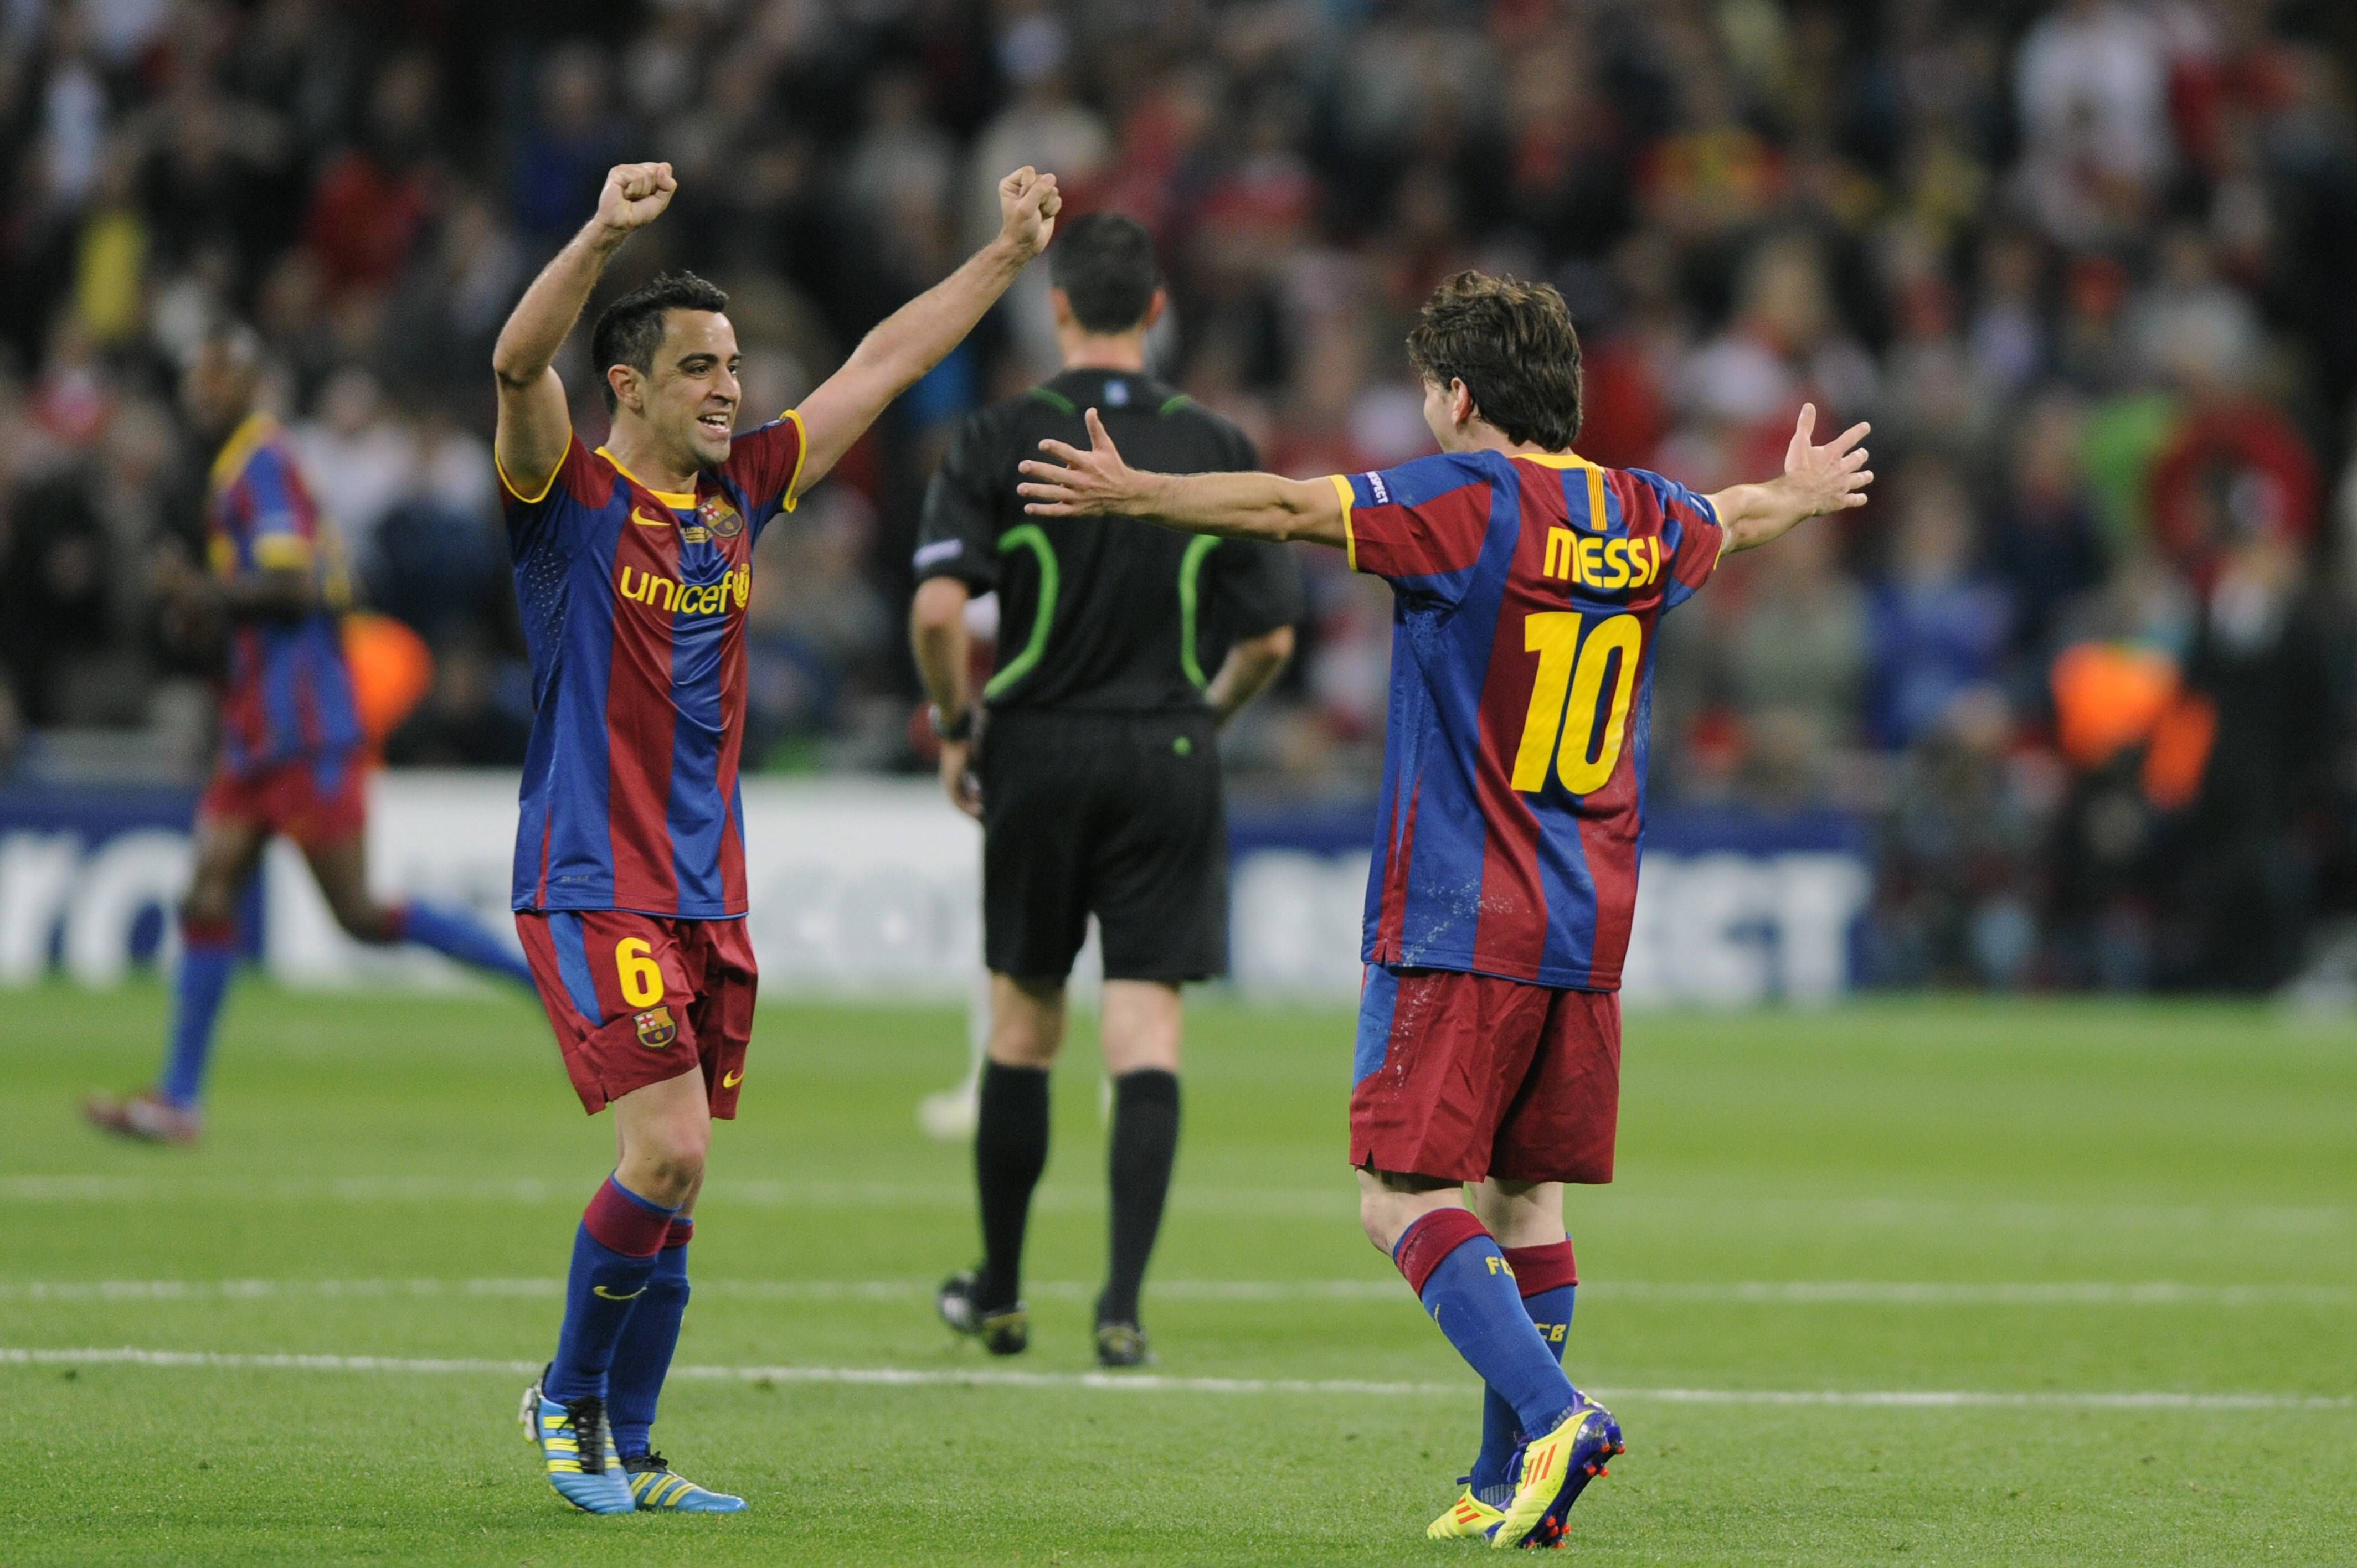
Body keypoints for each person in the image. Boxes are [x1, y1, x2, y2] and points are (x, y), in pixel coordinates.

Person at [1015, 270, 1872, 1548]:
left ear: (1458, 394)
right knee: (1527, 1205)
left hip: (1461, 910)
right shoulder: (1638, 508)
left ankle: (1554, 1415)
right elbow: (1732, 518)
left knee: (1401, 1201)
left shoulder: (1468, 497)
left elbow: (1289, 506)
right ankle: (1502, 1483)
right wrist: (1797, 499)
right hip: (1588, 921)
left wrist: (1139, 493)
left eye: (1426, 387)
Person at [491, 159, 1059, 1515]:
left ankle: (634, 1446)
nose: (730, 388)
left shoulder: (743, 489)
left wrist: (1002, 257)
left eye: (734, 364)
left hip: (704, 887)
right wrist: (600, 236)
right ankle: (565, 1400)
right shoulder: (565, 499)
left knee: (682, 1185)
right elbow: (517, 367)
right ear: (628, 384)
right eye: (699, 367)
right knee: (668, 1150)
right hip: (590, 876)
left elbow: (880, 360)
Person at [908, 213, 1301, 1369]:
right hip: (1166, 755)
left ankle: (1002, 1292)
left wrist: (952, 724)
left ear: (1059, 309)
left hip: (1034, 745)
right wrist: (1202, 722)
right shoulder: (1217, 438)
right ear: (1160, 310)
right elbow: (1272, 640)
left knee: (1024, 1028)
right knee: (1147, 1030)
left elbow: (939, 611)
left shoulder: (998, 433)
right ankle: (1122, 1308)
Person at [84, 325, 535, 1147]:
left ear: (253, 383)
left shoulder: (264, 461)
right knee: (206, 891)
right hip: (258, 724)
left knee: (358, 912)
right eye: (196, 376)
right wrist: (204, 613)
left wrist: (204, 591)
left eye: (218, 375)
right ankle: (179, 1100)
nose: (200, 391)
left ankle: (545, 979)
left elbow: (293, 590)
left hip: (304, 725)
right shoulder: (235, 470)